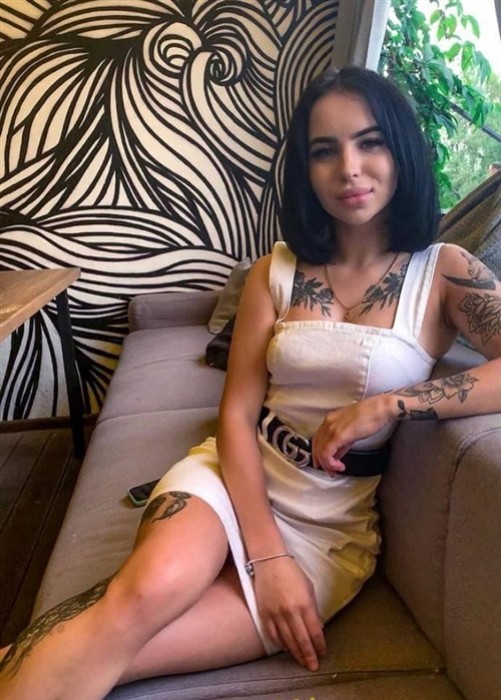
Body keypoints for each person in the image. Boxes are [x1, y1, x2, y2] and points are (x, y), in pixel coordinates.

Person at [1, 65, 500, 700]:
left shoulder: (445, 271)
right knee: (142, 597)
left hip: (329, 533)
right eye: (325, 151)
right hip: (230, 479)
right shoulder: (275, 271)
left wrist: (390, 405)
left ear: (401, 149)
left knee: (114, 649)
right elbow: (236, 416)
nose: (349, 168)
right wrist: (267, 557)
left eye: (370, 142)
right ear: (305, 169)